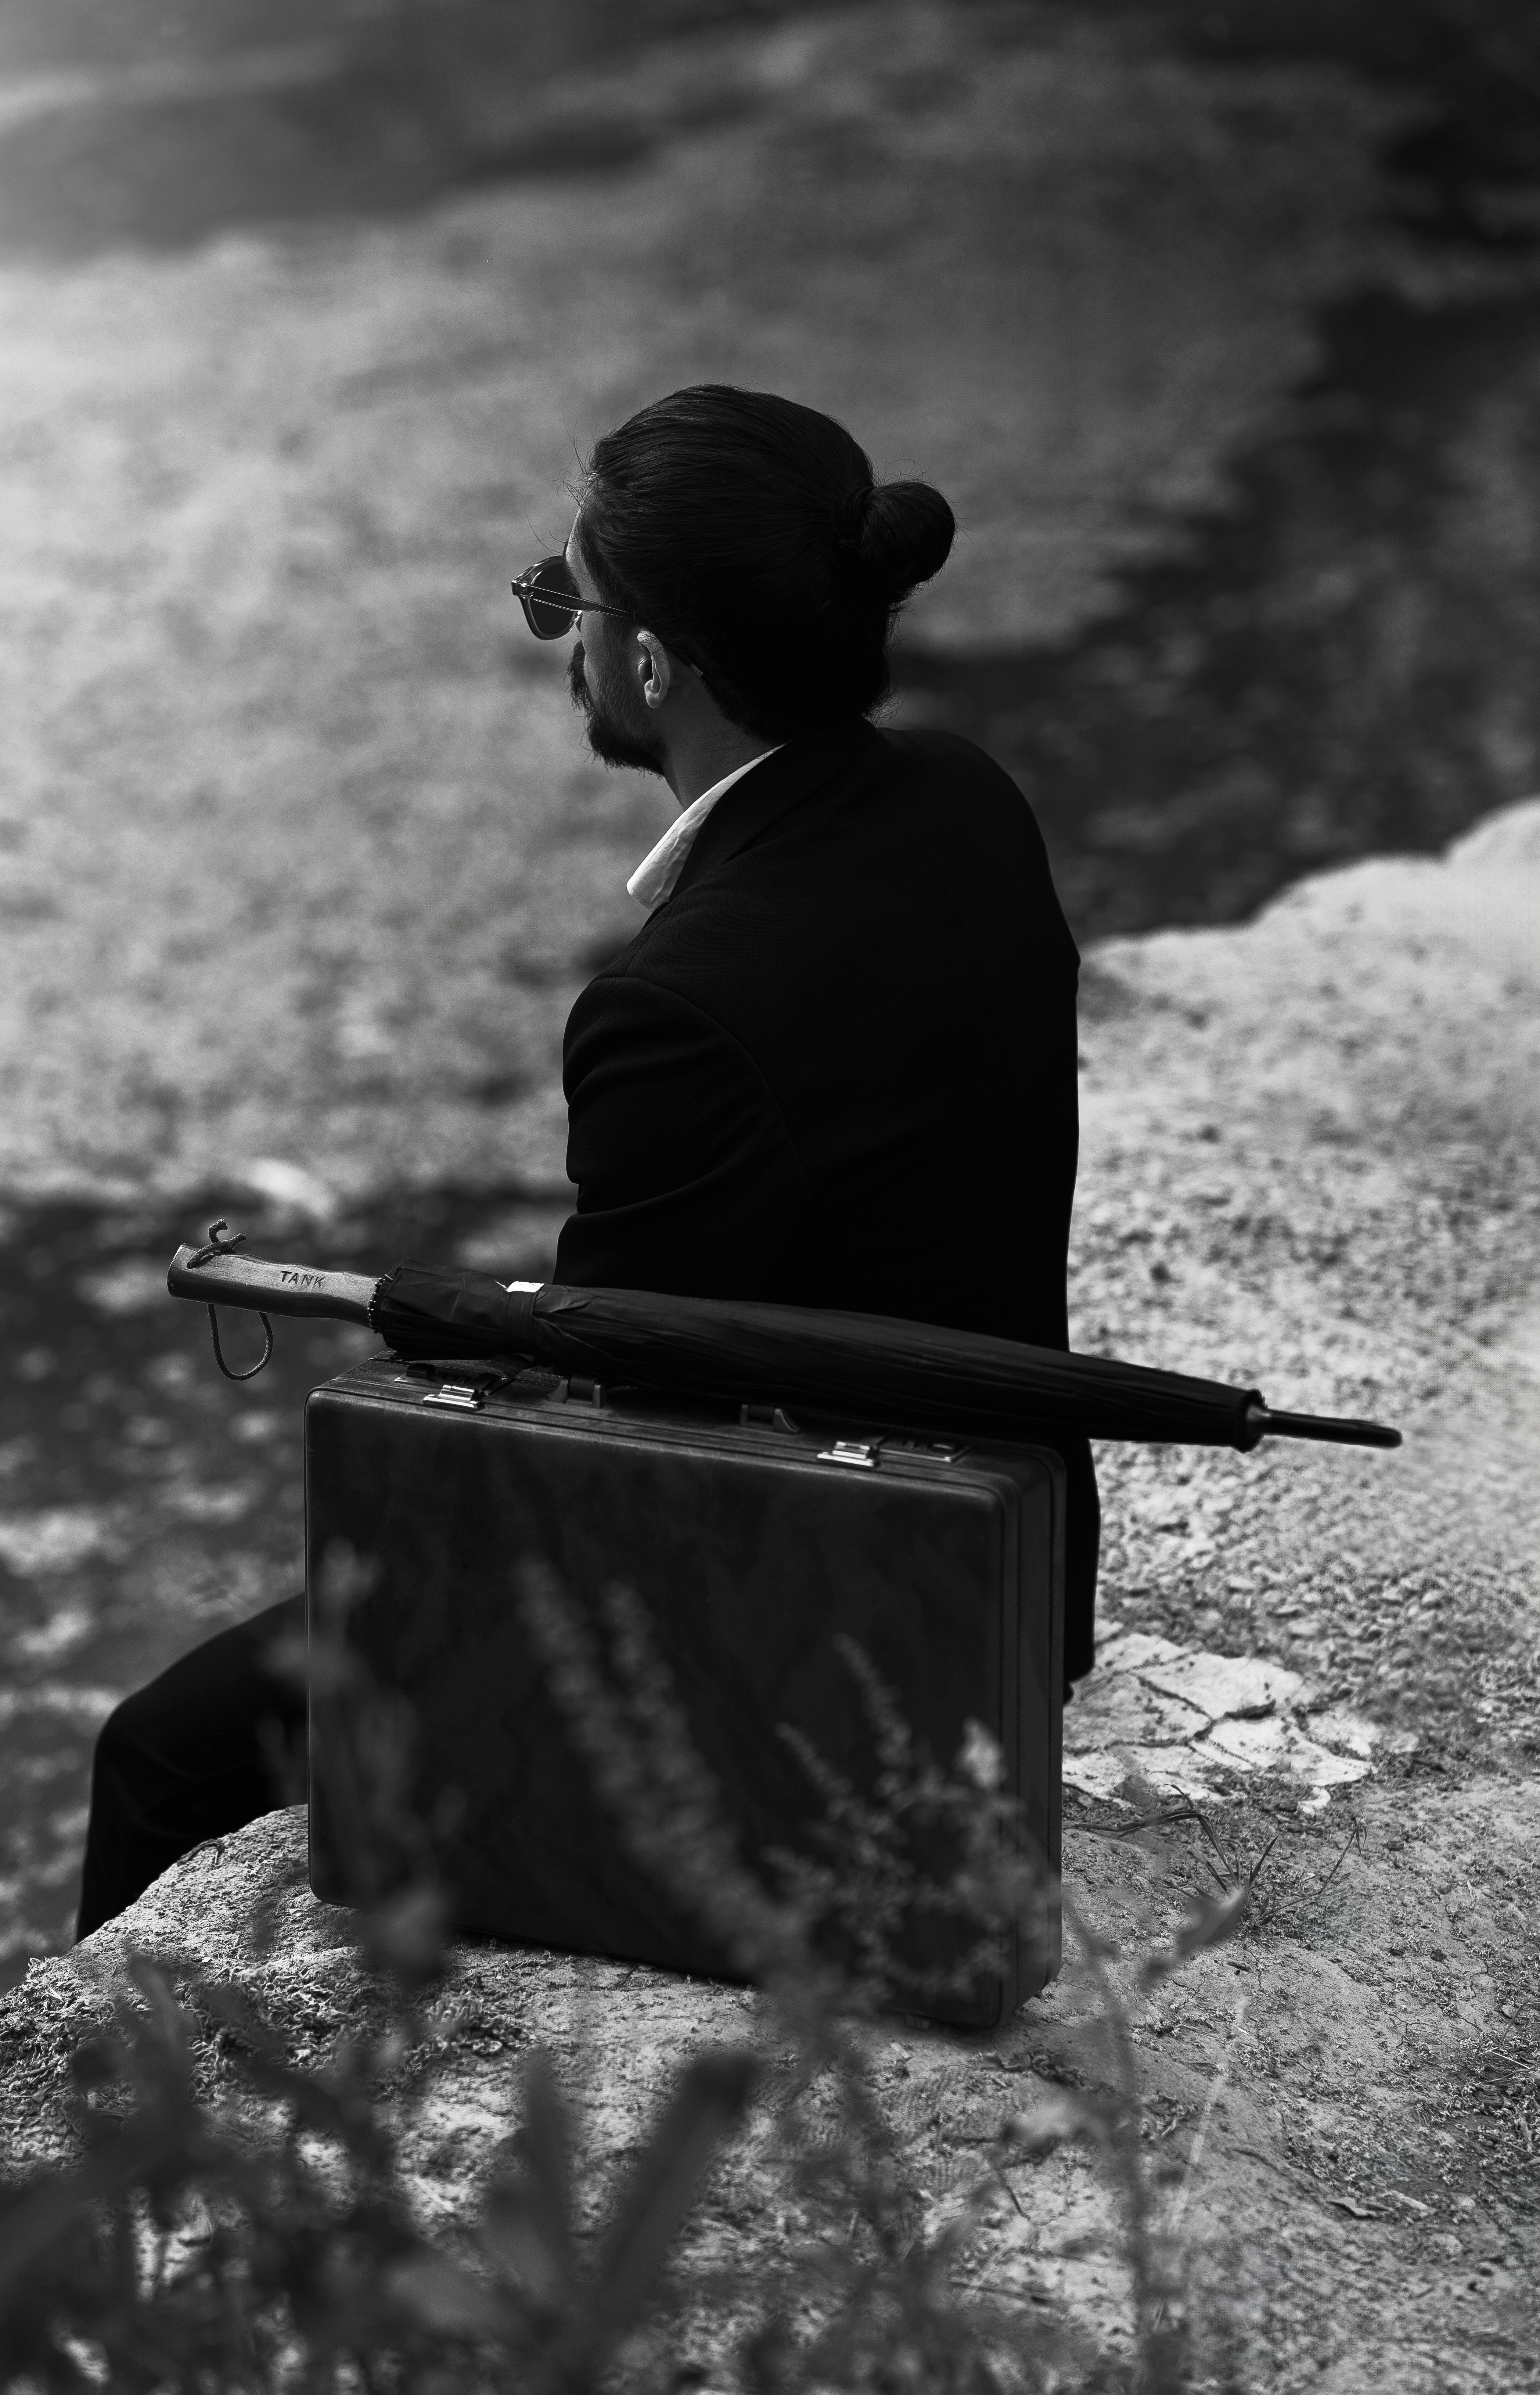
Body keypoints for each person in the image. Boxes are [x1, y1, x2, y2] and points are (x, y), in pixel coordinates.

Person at [75, 382, 1095, 1940]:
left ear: (644, 658)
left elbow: (609, 1452)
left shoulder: (676, 1003)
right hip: (1021, 1573)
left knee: (156, 1746)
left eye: (565, 597)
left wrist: (482, 1344)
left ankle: (91, 2133)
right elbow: (848, 1206)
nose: (556, 635)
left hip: (834, 1625)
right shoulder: (970, 801)